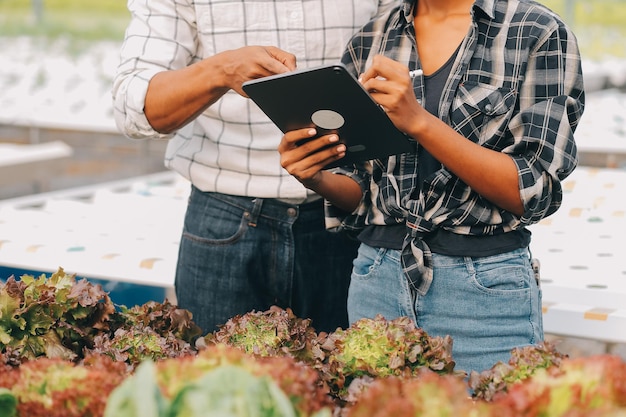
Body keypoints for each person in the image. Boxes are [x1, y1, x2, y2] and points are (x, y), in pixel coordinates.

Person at [278, 0, 585, 374]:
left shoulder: (536, 31)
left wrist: (419, 122)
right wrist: (315, 177)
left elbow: (532, 190)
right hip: (376, 280)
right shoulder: (372, 36)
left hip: (482, 293)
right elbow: (363, 192)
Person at [111, 0, 401, 335]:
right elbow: (135, 107)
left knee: (345, 383)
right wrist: (222, 70)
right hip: (224, 219)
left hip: (348, 213)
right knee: (213, 380)